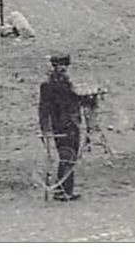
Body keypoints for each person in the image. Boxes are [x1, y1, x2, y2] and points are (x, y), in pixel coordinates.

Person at [38, 54, 86, 201]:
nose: (62, 68)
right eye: (59, 65)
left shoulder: (68, 83)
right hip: (61, 126)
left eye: (65, 65)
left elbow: (76, 100)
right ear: (54, 67)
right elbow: (43, 110)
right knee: (66, 157)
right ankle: (62, 191)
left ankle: (64, 190)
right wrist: (45, 129)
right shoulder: (48, 85)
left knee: (70, 157)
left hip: (73, 125)